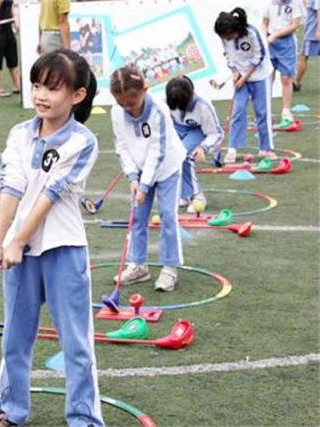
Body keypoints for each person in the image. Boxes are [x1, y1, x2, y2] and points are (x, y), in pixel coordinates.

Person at [0, 49, 103, 427]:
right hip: (20, 253)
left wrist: (18, 243)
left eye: (52, 87)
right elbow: (11, 188)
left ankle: (83, 418)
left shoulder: (83, 141)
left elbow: (50, 194)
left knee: (76, 345)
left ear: (77, 96)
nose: (41, 95)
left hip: (63, 250)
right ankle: (9, 412)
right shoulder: (19, 134)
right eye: (36, 85)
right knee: (14, 340)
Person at [110, 65, 186, 292]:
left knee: (167, 215)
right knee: (137, 218)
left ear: (145, 89)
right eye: (122, 103)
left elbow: (157, 151)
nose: (127, 108)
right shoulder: (117, 112)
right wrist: (133, 178)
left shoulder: (159, 112)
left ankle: (170, 268)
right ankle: (138, 265)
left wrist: (144, 186)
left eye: (131, 103)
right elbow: (121, 146)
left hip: (167, 167)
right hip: (140, 170)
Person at [214, 7, 276, 163]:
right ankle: (233, 149)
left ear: (235, 29)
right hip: (240, 76)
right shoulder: (224, 37)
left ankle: (265, 148)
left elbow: (259, 55)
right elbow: (228, 56)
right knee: (238, 111)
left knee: (262, 113)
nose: (226, 39)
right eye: (223, 36)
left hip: (260, 76)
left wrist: (245, 77)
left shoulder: (251, 32)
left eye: (228, 35)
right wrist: (235, 72)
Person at [165, 76, 223, 213]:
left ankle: (198, 195)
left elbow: (216, 133)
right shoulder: (166, 100)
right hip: (175, 129)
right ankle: (184, 194)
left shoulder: (204, 105)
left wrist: (203, 148)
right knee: (169, 156)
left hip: (197, 130)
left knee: (183, 154)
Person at [262, 0, 304, 128]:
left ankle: (286, 113)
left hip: (286, 44)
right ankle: (265, 113)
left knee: (286, 78)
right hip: (270, 43)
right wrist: (264, 37)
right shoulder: (270, 3)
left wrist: (276, 35)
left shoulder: (295, 3)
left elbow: (294, 25)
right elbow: (264, 23)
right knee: (268, 77)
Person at [0, 0, 21, 97]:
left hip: (8, 29)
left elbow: (10, 6)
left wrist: (14, 23)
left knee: (13, 59)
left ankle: (17, 85)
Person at [293, 0, 320, 91]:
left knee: (303, 57)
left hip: (312, 33)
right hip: (312, 31)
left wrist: (318, 31)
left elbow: (319, 11)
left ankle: (296, 83)